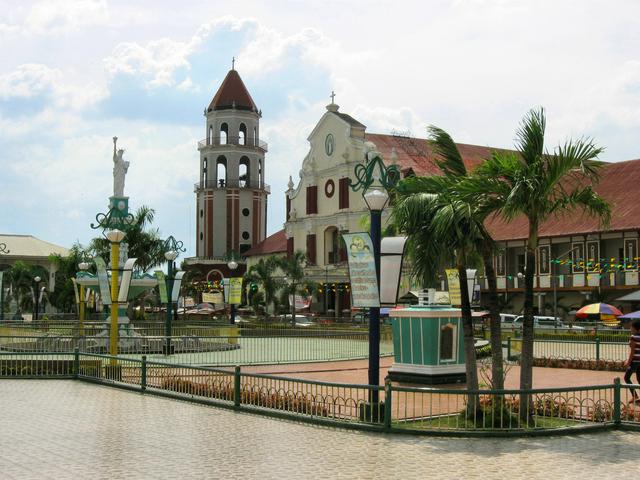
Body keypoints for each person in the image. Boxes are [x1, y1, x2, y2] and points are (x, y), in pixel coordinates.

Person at [623, 319, 640, 403]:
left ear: (636, 329)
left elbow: (632, 352)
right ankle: (636, 397)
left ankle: (635, 396)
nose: (630, 329)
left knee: (626, 378)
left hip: (635, 362)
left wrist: (628, 362)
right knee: (639, 379)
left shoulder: (633, 337)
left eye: (632, 327)